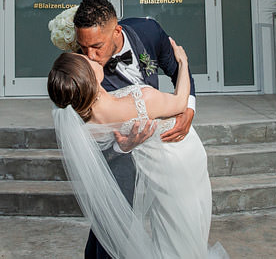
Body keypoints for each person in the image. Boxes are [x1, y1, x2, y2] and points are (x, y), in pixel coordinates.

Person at [47, 43, 224, 259]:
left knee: (170, 227)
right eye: (89, 62)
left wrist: (120, 147)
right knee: (187, 227)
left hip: (155, 168)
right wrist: (183, 62)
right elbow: (180, 102)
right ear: (90, 78)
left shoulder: (85, 120)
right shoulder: (141, 101)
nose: (93, 58)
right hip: (182, 156)